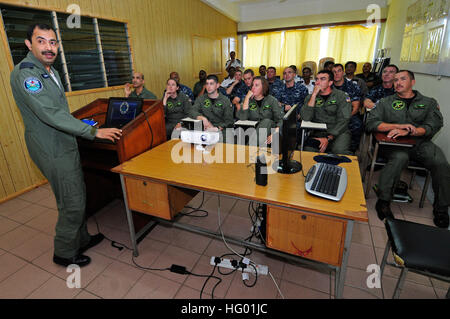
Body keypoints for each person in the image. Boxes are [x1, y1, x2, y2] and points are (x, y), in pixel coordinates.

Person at [10, 24, 122, 267]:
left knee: (77, 194)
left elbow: (59, 111)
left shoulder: (51, 71)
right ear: (29, 44)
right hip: (52, 147)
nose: (49, 47)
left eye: (52, 42)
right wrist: (92, 131)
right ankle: (63, 252)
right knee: (71, 202)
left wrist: (80, 126)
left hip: (63, 141)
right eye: (41, 41)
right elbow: (50, 113)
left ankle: (80, 239)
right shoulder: (27, 74)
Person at [365, 70, 450, 228]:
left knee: (441, 163)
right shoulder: (385, 102)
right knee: (400, 158)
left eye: (402, 79)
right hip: (393, 144)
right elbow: (371, 123)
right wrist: (397, 126)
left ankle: (441, 208)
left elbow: (434, 124)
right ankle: (383, 201)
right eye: (396, 79)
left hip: (420, 143)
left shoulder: (429, 102)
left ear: (413, 82)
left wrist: (413, 131)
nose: (398, 82)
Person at [300, 70, 352, 155]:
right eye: (317, 79)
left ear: (330, 82)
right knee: (308, 151)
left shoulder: (341, 96)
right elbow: (305, 117)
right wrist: (313, 95)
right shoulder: (310, 98)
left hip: (338, 132)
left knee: (339, 152)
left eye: (322, 79)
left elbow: (344, 120)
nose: (318, 82)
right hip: (319, 132)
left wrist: (328, 138)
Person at [236, 76, 283, 145]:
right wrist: (246, 98)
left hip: (270, 131)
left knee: (267, 121)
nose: (253, 88)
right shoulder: (248, 100)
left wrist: (274, 133)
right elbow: (243, 118)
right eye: (252, 85)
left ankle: (249, 149)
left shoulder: (271, 100)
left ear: (263, 87)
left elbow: (280, 119)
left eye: (256, 85)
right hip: (253, 131)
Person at [332, 63, 362, 153]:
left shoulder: (352, 86)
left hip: (348, 114)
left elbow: (355, 107)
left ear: (343, 72)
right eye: (334, 72)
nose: (336, 74)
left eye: (339, 71)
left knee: (357, 124)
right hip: (331, 114)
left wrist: (344, 118)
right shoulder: (328, 86)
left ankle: (352, 148)